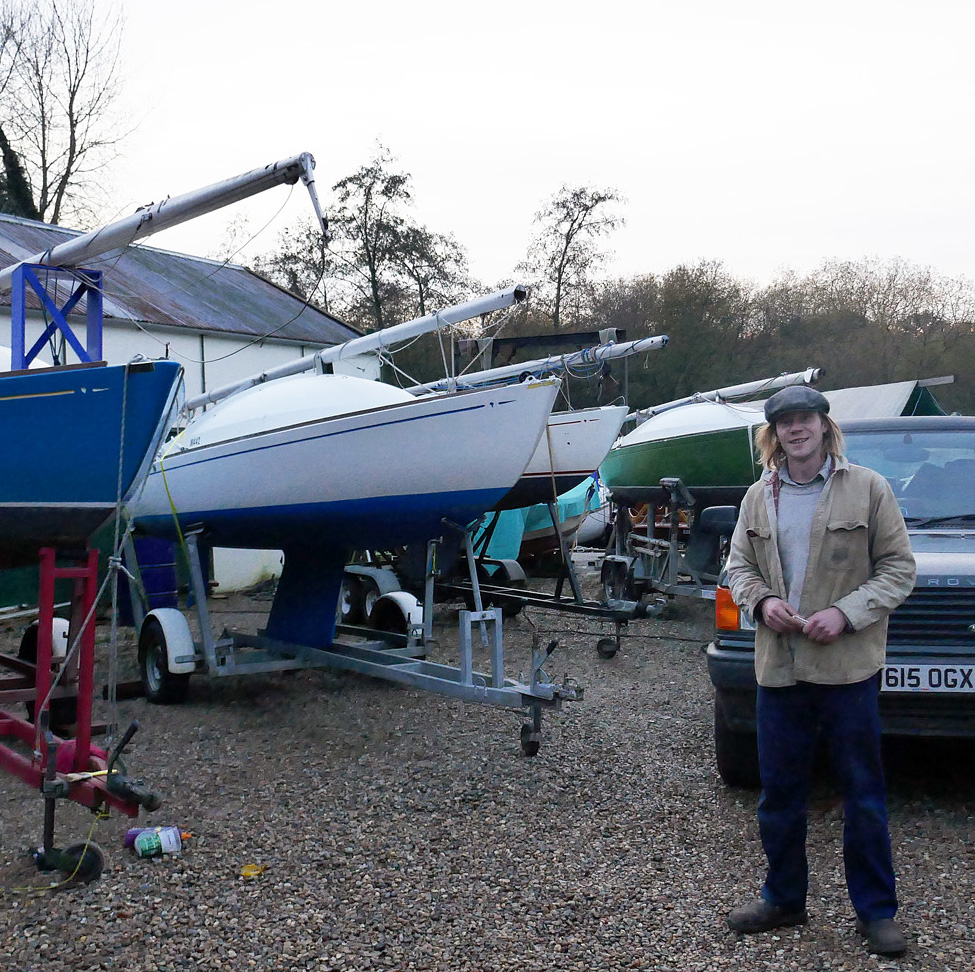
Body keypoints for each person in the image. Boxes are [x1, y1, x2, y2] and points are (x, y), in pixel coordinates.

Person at [724, 385, 916, 957]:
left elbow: (898, 570)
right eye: (784, 423)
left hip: (847, 671)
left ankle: (877, 913)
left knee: (863, 795)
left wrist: (844, 612)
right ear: (773, 434)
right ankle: (783, 899)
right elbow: (737, 566)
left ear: (825, 426)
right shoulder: (757, 497)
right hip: (779, 673)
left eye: (805, 419)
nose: (795, 430)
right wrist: (760, 603)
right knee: (779, 795)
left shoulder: (869, 489)